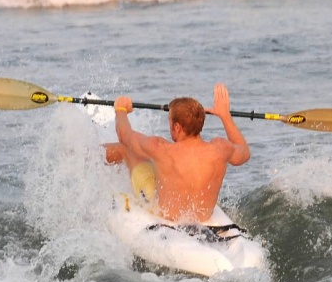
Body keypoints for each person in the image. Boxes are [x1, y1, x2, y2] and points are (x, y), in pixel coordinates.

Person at [103, 83, 250, 223]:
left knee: (125, 149)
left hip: (167, 219)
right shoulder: (220, 148)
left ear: (177, 127)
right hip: (203, 219)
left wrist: (120, 109)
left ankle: (91, 157)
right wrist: (225, 115)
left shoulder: (161, 148)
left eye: (170, 121)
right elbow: (244, 152)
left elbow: (124, 135)